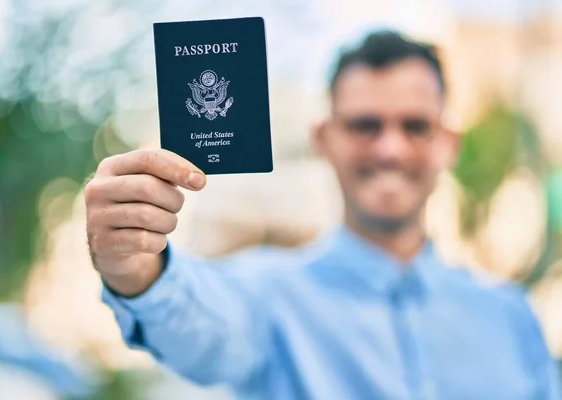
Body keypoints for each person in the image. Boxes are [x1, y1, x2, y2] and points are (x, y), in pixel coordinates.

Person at [85, 31, 561, 399]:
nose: (391, 148)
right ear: (323, 139)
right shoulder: (266, 297)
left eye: (415, 126)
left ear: (447, 144)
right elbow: (195, 326)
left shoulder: (511, 317)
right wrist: (137, 269)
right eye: (364, 125)